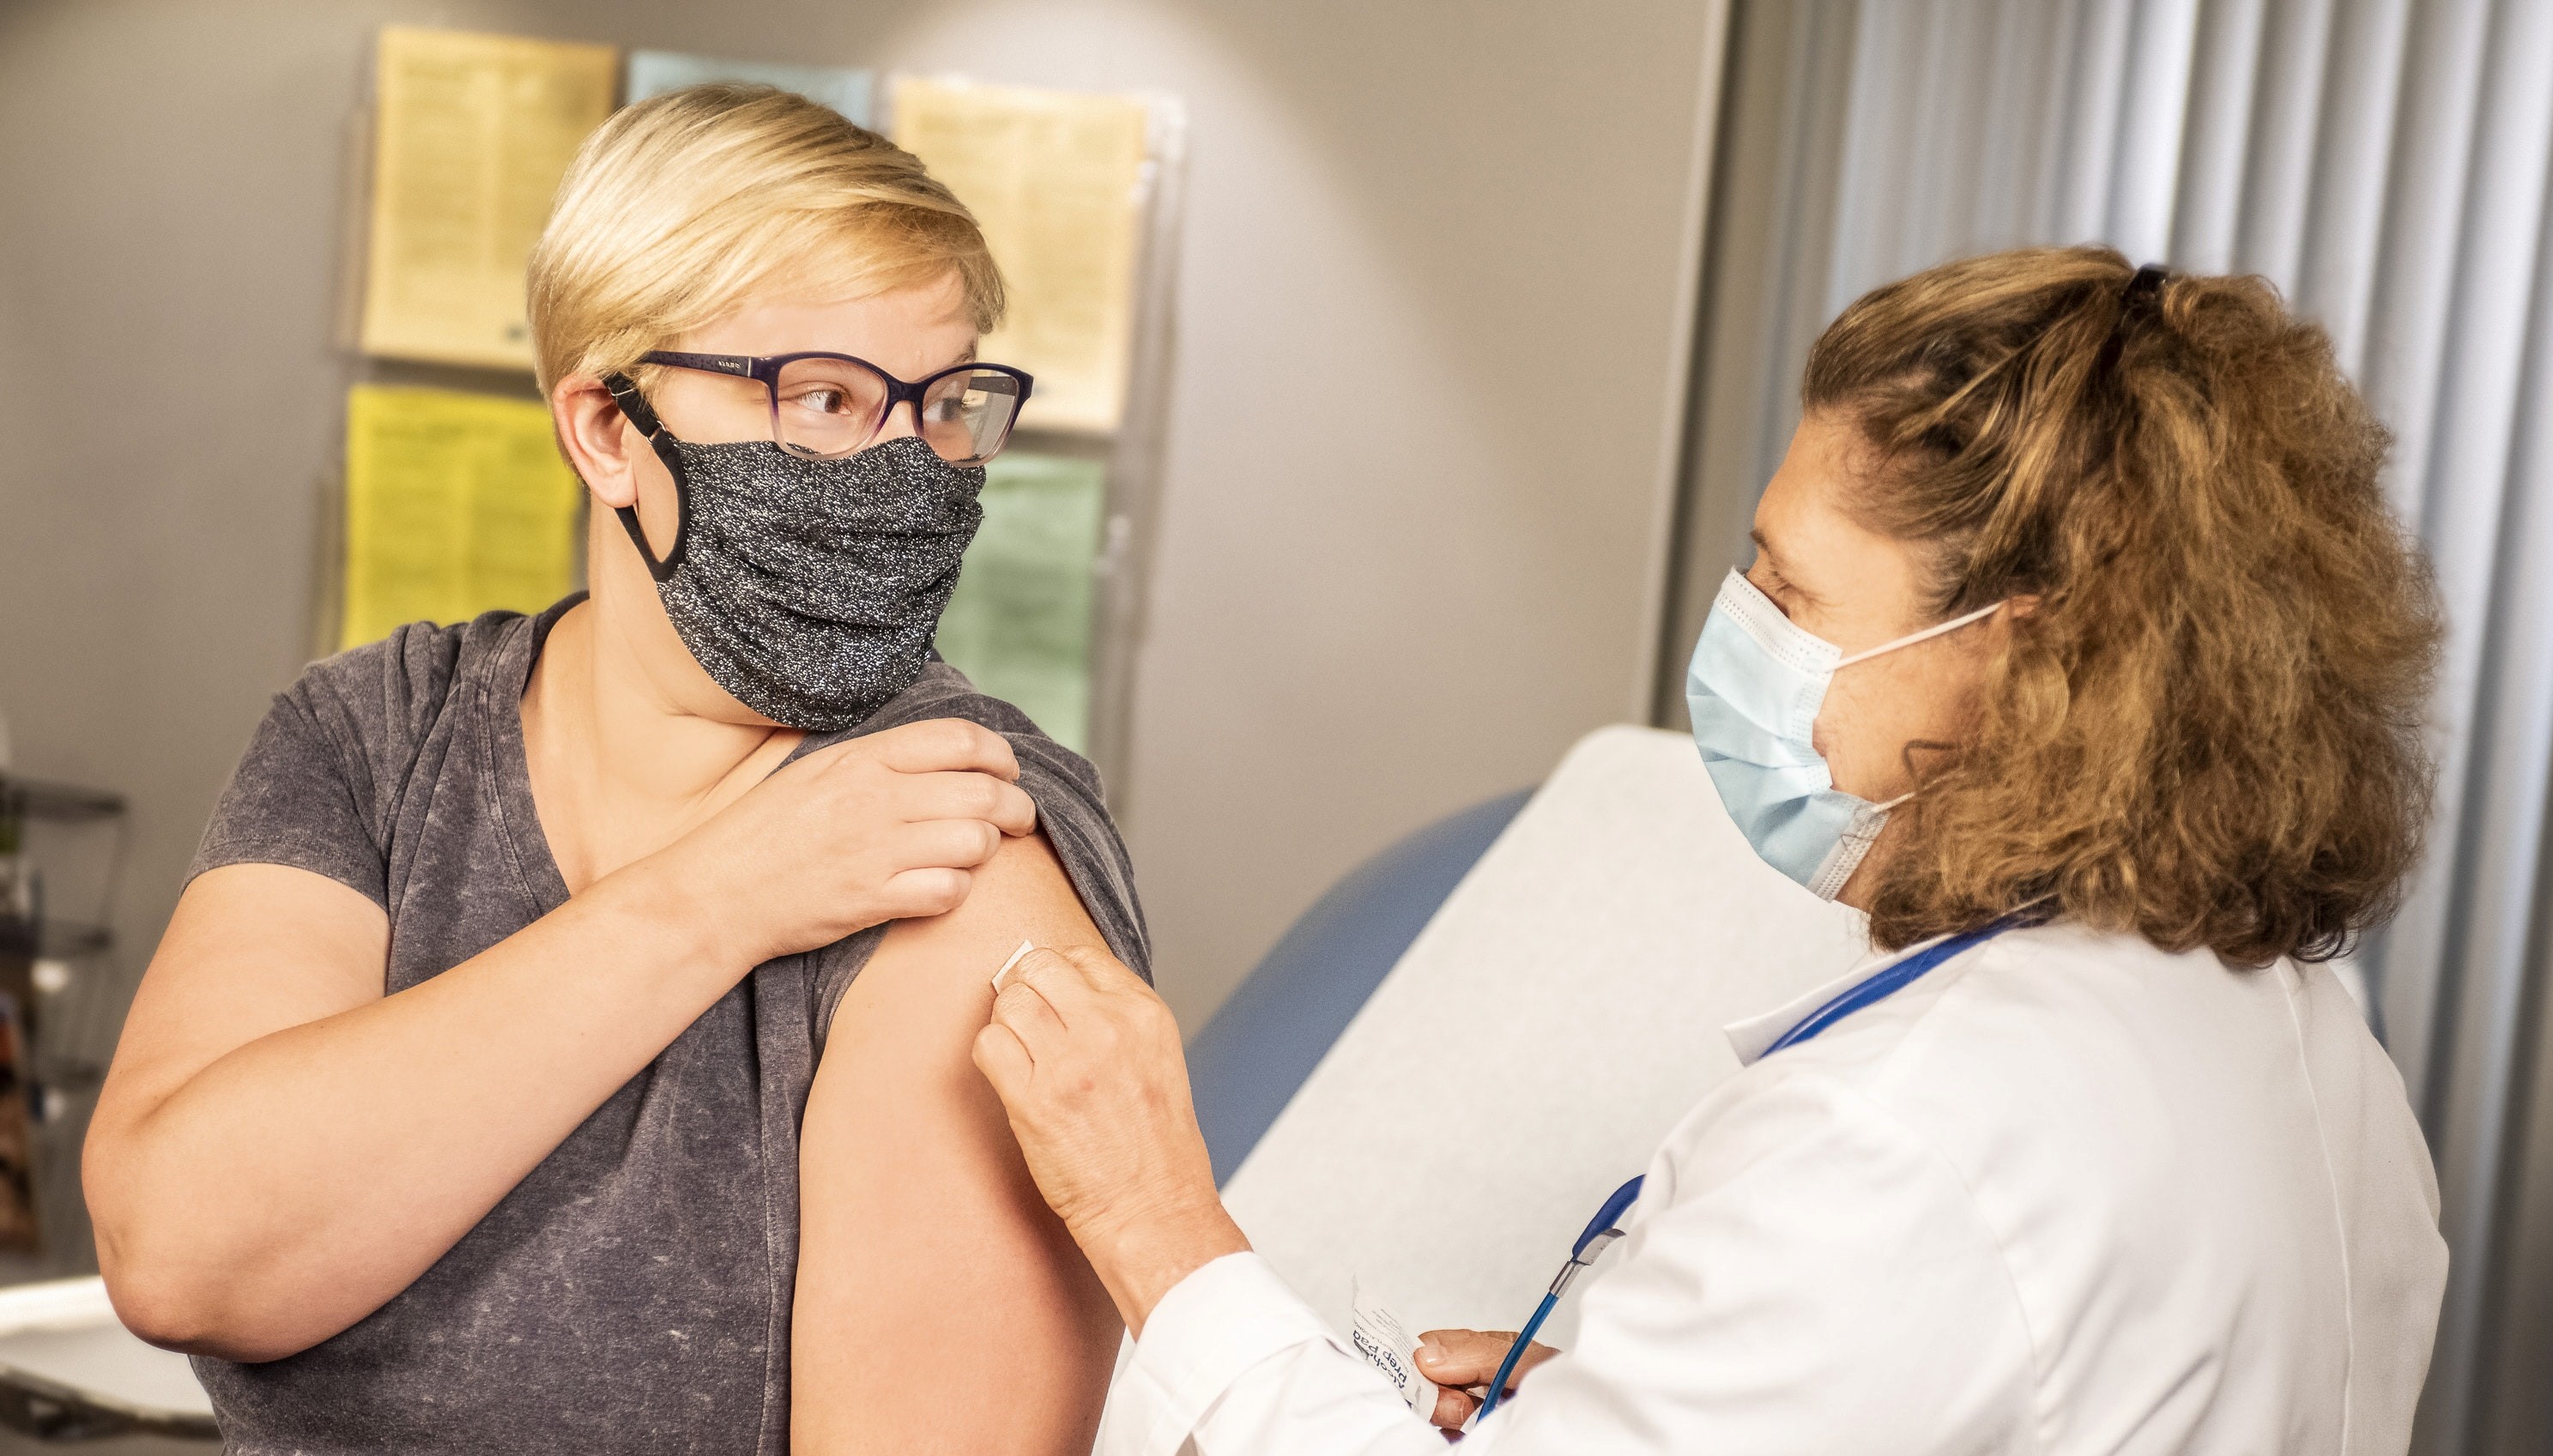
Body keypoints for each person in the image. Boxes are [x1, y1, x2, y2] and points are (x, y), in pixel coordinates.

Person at [972, 248, 2451, 1454]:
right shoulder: (2322, 1057)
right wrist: (1632, 1400)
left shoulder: (1913, 1132)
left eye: (1789, 591)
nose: (1735, 627)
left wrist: (1156, 1219)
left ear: (2021, 665)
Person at [82, 87, 1140, 1454]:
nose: (901, 466)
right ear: (604, 428)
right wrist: (720, 898)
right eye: (822, 397)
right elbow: (182, 1249)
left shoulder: (961, 831)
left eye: (945, 405)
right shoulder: (376, 736)